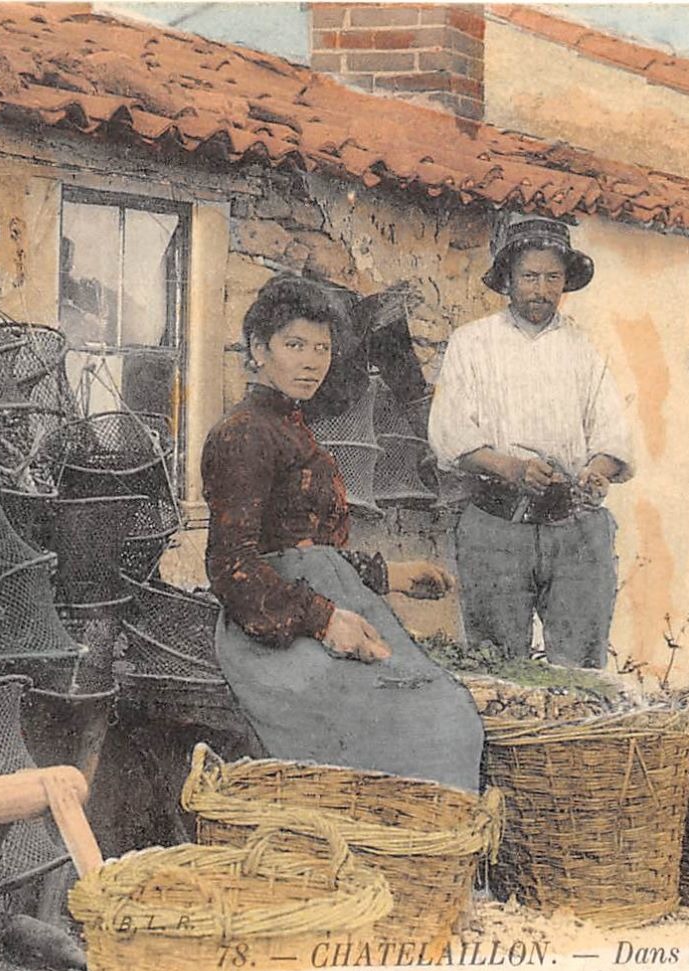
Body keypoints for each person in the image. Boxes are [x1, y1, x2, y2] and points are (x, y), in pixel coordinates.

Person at [201, 275, 484, 792]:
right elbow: (234, 566)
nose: (311, 361)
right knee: (423, 720)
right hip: (272, 633)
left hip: (320, 607)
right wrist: (325, 620)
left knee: (445, 706)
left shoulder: (292, 425)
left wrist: (390, 575)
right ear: (258, 350)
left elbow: (310, 550)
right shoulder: (243, 433)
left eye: (322, 348)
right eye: (294, 345)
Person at [428, 213, 634, 670]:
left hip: (576, 530)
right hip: (496, 528)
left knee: (581, 668)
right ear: (507, 279)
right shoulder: (472, 343)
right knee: (496, 665)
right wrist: (513, 469)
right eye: (529, 277)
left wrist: (596, 473)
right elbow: (449, 437)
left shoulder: (585, 348)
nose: (541, 290)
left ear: (566, 281)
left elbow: (613, 434)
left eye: (552, 278)